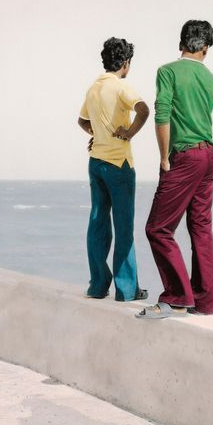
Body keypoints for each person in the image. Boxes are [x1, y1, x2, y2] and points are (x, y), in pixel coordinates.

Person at [138, 20, 213, 319]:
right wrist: (209, 151)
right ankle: (204, 302)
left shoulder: (168, 72)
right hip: (208, 156)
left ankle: (178, 296)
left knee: (158, 228)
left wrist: (164, 157)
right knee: (201, 228)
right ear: (206, 48)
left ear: (181, 43)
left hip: (183, 158)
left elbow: (162, 115)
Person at [78, 37, 149, 301]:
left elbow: (82, 120)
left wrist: (97, 134)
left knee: (98, 223)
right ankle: (127, 290)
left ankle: (98, 285)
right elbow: (143, 110)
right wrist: (128, 133)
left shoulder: (93, 88)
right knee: (123, 227)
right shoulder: (121, 87)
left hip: (96, 163)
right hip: (119, 165)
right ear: (125, 62)